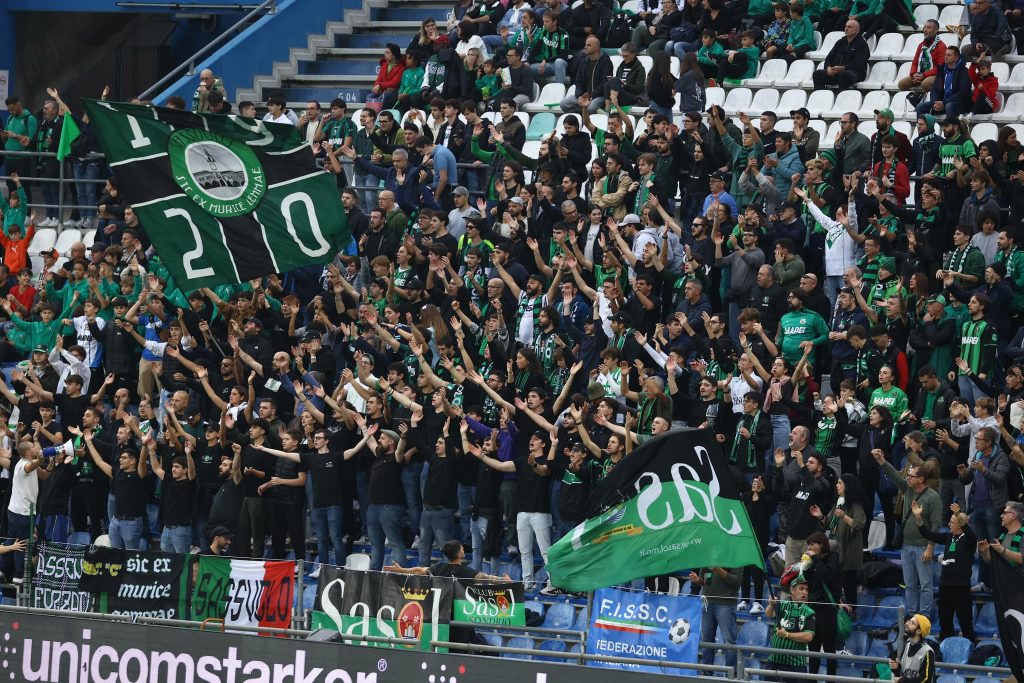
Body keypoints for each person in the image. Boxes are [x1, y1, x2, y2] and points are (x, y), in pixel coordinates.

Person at [876, 452, 942, 617]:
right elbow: (893, 474)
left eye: (911, 476)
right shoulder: (907, 488)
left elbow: (936, 525)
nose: (908, 478)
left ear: (921, 479)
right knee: (910, 583)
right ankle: (912, 614)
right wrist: (882, 460)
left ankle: (924, 616)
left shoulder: (933, 497)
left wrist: (930, 547)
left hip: (922, 546)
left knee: (925, 584)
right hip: (906, 545)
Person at [915, 502, 977, 640]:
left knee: (965, 622)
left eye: (952, 522)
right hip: (945, 586)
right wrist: (918, 518)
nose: (949, 524)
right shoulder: (948, 537)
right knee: (945, 622)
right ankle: (943, 647)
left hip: (961, 587)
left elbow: (970, 534)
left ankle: (971, 647)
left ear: (960, 524)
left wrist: (959, 515)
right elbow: (927, 534)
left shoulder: (969, 540)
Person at [689, 563, 741, 673]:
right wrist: (697, 580)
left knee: (729, 641)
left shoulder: (734, 556)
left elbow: (737, 581)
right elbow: (704, 580)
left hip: (726, 604)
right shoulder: (708, 556)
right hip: (707, 603)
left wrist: (720, 571)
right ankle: (706, 672)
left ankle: (731, 674)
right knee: (706, 640)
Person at [765, 575, 816, 679]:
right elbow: (769, 614)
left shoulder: (810, 612)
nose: (804, 592)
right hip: (774, 661)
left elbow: (808, 637)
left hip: (796, 665)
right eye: (801, 588)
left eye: (806, 590)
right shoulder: (782, 604)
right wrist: (771, 604)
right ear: (792, 590)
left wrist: (787, 634)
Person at [889, 614, 936, 683]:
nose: (907, 623)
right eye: (909, 621)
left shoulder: (928, 651)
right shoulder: (907, 646)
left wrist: (901, 680)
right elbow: (901, 673)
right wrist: (895, 667)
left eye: (912, 623)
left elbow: (925, 679)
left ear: (919, 631)